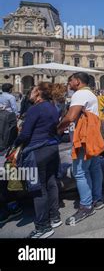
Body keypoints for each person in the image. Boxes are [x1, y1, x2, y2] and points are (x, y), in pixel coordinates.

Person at [14, 82, 61, 238]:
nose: (30, 93)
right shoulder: (52, 106)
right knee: (51, 182)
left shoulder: (34, 109)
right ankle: (55, 217)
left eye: (32, 91)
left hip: (36, 150)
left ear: (39, 93)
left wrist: (15, 142)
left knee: (37, 189)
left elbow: (26, 134)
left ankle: (43, 227)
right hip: (51, 148)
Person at [57, 72, 104, 225]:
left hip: (83, 138)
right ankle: (97, 199)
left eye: (70, 80)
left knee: (79, 172)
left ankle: (86, 205)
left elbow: (71, 117)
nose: (68, 83)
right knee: (95, 168)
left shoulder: (79, 94)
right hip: (93, 136)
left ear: (77, 81)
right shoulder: (91, 94)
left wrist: (57, 128)